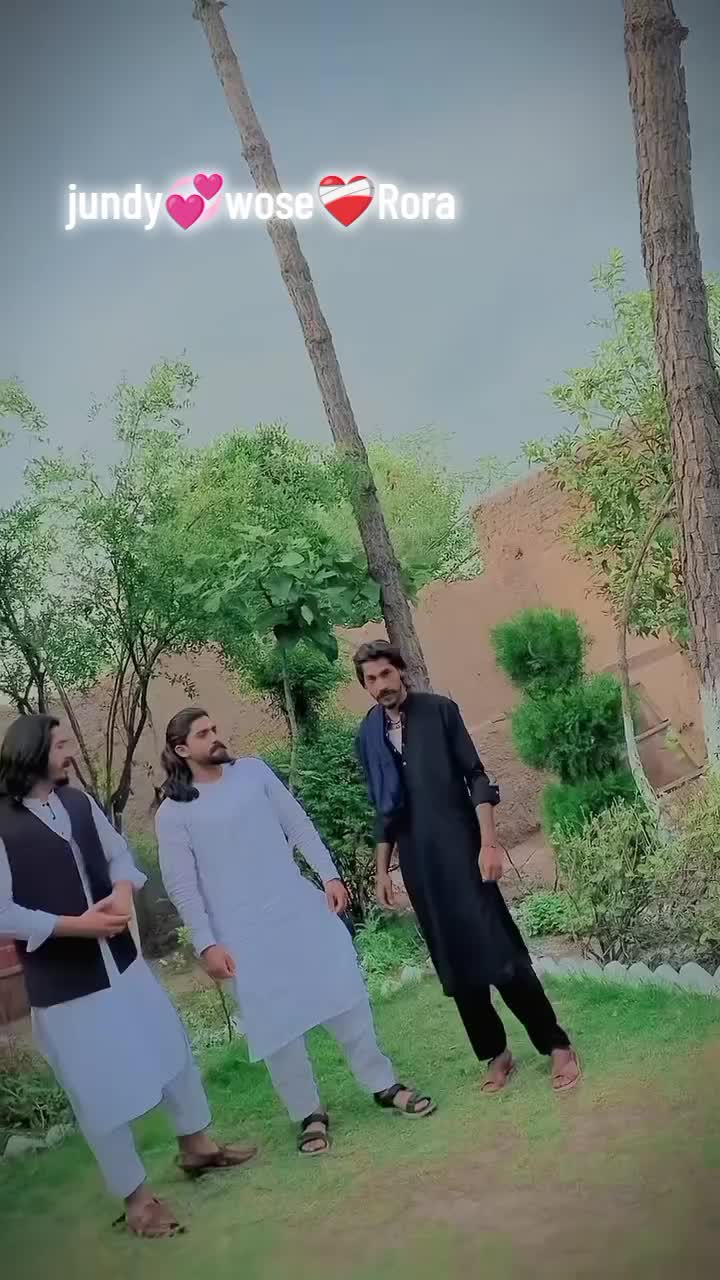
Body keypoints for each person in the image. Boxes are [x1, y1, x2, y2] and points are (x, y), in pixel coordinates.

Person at [0, 714, 257, 1239]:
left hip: (121, 962)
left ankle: (197, 1147)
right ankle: (137, 1201)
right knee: (98, 1089)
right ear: (32, 752)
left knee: (171, 1049)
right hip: (65, 985)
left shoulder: (76, 802)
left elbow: (119, 854)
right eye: (60, 744)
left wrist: (119, 896)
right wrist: (77, 926)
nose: (69, 751)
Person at [155, 708, 435, 1157]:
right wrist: (207, 943)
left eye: (215, 728)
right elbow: (182, 886)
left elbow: (297, 823)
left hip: (297, 907)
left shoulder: (252, 772)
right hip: (241, 932)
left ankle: (382, 1084)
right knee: (277, 1025)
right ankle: (308, 1113)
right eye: (204, 733)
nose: (216, 736)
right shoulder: (173, 814)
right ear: (182, 749)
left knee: (343, 994)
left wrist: (330, 876)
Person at [353, 640, 580, 1094]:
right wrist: (382, 871)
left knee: (500, 952)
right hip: (420, 867)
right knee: (455, 963)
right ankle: (496, 1053)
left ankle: (556, 1044)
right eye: (371, 679)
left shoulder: (439, 712)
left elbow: (476, 776)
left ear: (401, 671)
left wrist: (489, 844)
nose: (380, 685)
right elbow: (383, 809)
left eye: (385, 674)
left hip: (463, 852)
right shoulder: (368, 736)